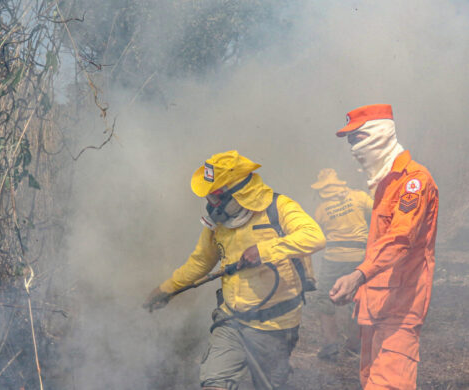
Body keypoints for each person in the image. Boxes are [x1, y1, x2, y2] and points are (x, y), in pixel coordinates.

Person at [143, 150, 325, 390]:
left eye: (214, 197)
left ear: (237, 192)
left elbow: (315, 237)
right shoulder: (218, 224)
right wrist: (167, 289)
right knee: (214, 383)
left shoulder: (278, 207)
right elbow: (200, 262)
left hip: (276, 325)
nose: (209, 204)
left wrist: (265, 250)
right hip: (232, 320)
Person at [329, 104, 439, 390]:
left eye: (357, 139)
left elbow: (401, 239)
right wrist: (361, 293)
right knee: (370, 383)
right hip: (374, 308)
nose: (353, 149)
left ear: (378, 135)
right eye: (350, 142)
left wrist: (357, 275)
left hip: (400, 309)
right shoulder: (383, 185)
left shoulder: (413, 181)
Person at [311, 168, 373, 360]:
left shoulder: (321, 209)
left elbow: (316, 235)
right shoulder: (360, 197)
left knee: (324, 297)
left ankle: (331, 344)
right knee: (357, 299)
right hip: (359, 257)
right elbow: (379, 216)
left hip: (333, 258)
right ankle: (355, 346)